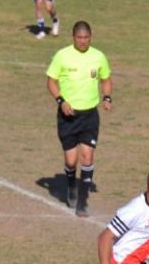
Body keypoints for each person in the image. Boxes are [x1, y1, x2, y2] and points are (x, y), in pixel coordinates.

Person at [45, 21, 112, 217]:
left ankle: (82, 201)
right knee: (71, 161)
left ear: (91, 37)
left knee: (88, 157)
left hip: (90, 115)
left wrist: (107, 97)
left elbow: (106, 79)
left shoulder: (98, 56)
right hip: (68, 116)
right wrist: (61, 101)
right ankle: (72, 184)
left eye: (86, 38)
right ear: (73, 37)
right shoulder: (62, 56)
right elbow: (51, 81)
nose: (83, 41)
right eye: (79, 38)